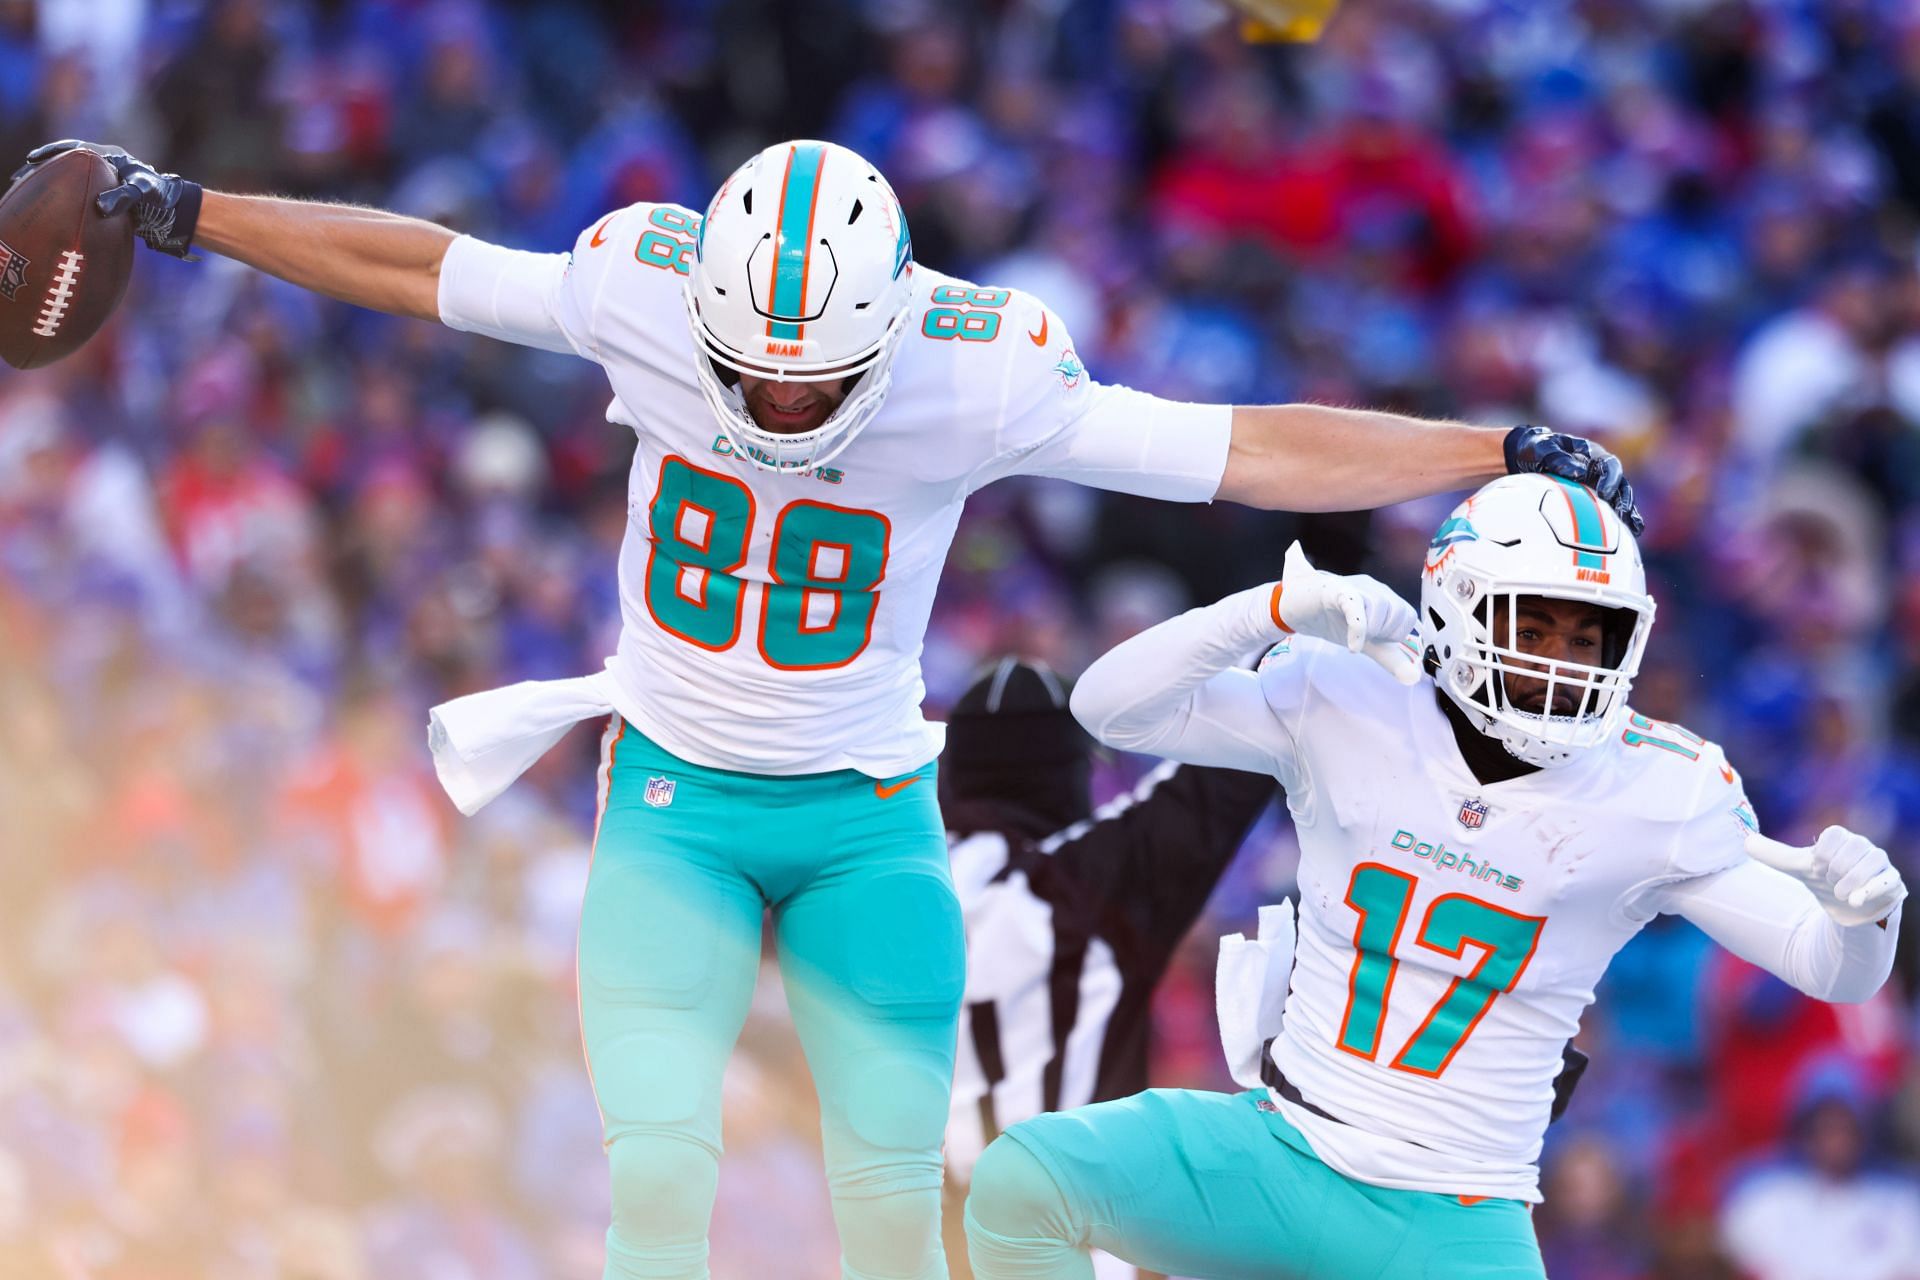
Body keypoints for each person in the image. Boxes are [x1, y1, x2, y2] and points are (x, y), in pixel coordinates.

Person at [11, 137, 1642, 1280]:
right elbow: (416, 267)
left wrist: (1476, 449)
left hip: (870, 814)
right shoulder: (643, 284)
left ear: (882, 327)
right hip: (671, 797)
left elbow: (1237, 448)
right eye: (756, 375)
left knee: (891, 1202)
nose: (783, 402)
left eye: (815, 379)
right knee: (655, 1180)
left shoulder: (973, 364)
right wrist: (186, 208)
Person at [963, 474, 1907, 1280]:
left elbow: (1831, 969)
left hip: (1456, 1217)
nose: (1563, 663)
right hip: (1282, 1146)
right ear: (1457, 604)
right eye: (1532, 626)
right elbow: (1110, 706)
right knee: (1023, 1184)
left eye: (1589, 638)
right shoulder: (1354, 701)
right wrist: (1269, 610)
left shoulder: (1655, 791)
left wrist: (1867, 916)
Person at [937, 657, 1280, 1280]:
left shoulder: (885, 888)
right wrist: (1295, 628)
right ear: (1069, 773)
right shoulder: (1087, 886)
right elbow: (1225, 775)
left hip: (915, 1246)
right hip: (1078, 1244)